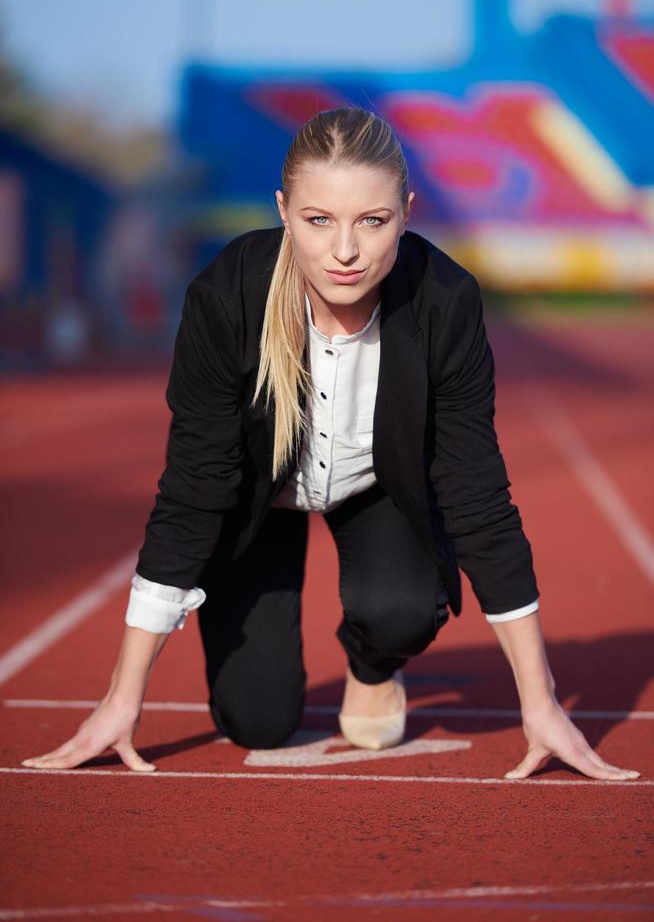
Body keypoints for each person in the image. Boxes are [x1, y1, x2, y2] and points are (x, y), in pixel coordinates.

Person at [22, 107, 639, 781]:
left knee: (401, 610)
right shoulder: (227, 298)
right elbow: (192, 492)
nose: (345, 250)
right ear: (283, 210)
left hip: (377, 484)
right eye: (319, 220)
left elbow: (478, 496)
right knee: (255, 719)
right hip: (258, 499)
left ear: (406, 211)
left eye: (371, 221)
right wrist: (122, 697)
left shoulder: (446, 302)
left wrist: (541, 700)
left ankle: (372, 665)